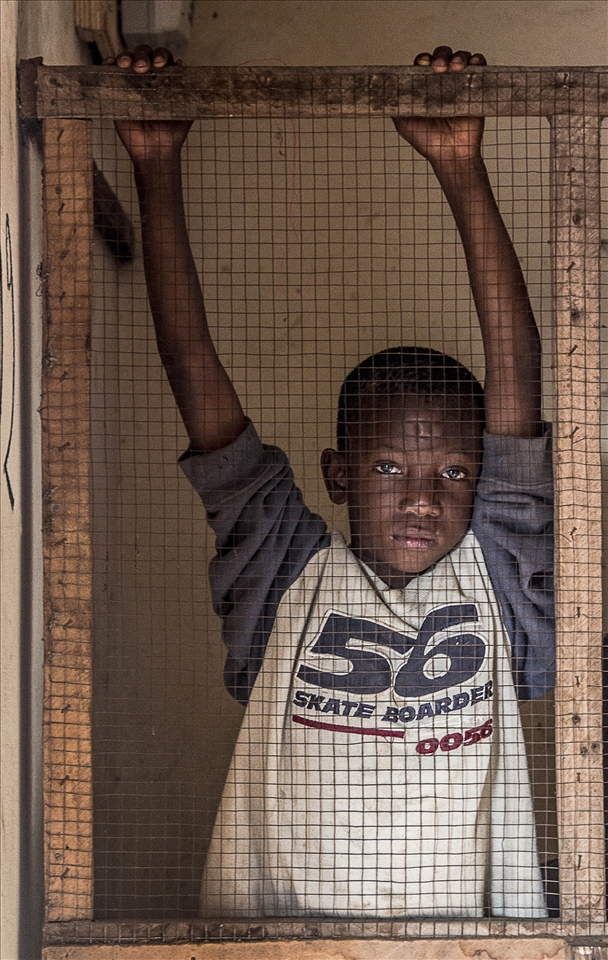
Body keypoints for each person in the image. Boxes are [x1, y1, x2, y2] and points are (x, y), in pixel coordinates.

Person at [111, 45, 554, 919]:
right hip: (285, 936)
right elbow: (192, 369)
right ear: (338, 473)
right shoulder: (288, 576)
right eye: (390, 468)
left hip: (466, 940)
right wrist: (155, 169)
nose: (423, 496)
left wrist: (462, 167)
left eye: (454, 472)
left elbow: (519, 368)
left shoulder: (495, 580)